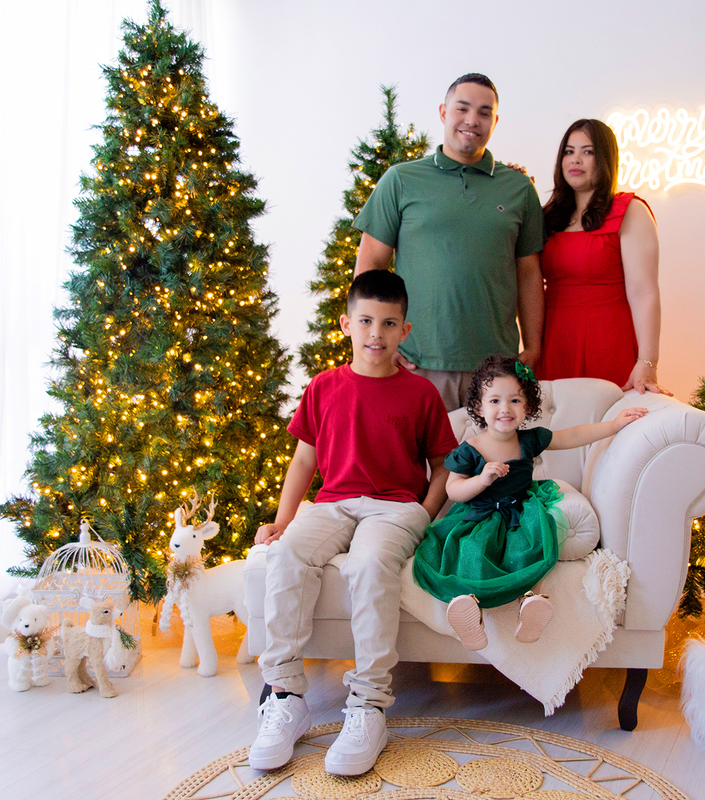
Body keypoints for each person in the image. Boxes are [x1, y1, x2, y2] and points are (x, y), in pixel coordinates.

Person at [248, 271, 459, 775]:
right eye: (365, 321)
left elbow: (444, 464)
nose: (375, 334)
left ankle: (368, 706)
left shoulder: (420, 393)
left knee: (367, 565)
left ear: (404, 330)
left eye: (388, 324)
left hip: (395, 507)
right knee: (287, 555)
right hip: (333, 503)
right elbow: (304, 461)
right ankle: (284, 696)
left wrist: (426, 513)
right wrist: (283, 522)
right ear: (346, 323)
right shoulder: (323, 387)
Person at [411, 355, 647, 650]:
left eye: (515, 401)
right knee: (473, 550)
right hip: (478, 515)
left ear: (528, 407)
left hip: (519, 510)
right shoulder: (470, 449)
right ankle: (468, 609)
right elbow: (454, 489)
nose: (505, 409)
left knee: (531, 543)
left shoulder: (528, 440)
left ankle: (531, 602)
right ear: (480, 408)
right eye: (495, 401)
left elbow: (572, 435)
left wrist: (613, 425)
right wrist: (481, 480)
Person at [354, 73, 545, 411]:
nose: (473, 120)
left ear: (495, 121)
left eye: (484, 113)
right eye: (463, 108)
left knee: (493, 465)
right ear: (443, 112)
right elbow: (371, 264)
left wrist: (533, 347)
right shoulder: (401, 180)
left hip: (495, 370)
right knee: (419, 466)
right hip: (418, 363)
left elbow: (529, 274)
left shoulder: (518, 188)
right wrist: (381, 342)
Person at [533, 118, 672, 396]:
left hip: (609, 339)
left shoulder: (630, 210)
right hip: (556, 340)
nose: (576, 160)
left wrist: (648, 362)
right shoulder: (547, 216)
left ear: (606, 159)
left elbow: (644, 292)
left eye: (588, 151)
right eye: (569, 152)